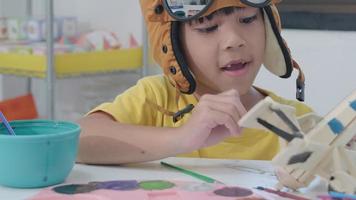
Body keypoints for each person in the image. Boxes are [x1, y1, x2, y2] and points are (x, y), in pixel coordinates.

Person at [77, 0, 312, 165]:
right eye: (208, 28)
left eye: (248, 18)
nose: (234, 40)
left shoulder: (299, 121)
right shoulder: (156, 99)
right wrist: (180, 137)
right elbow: (77, 142)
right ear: (172, 42)